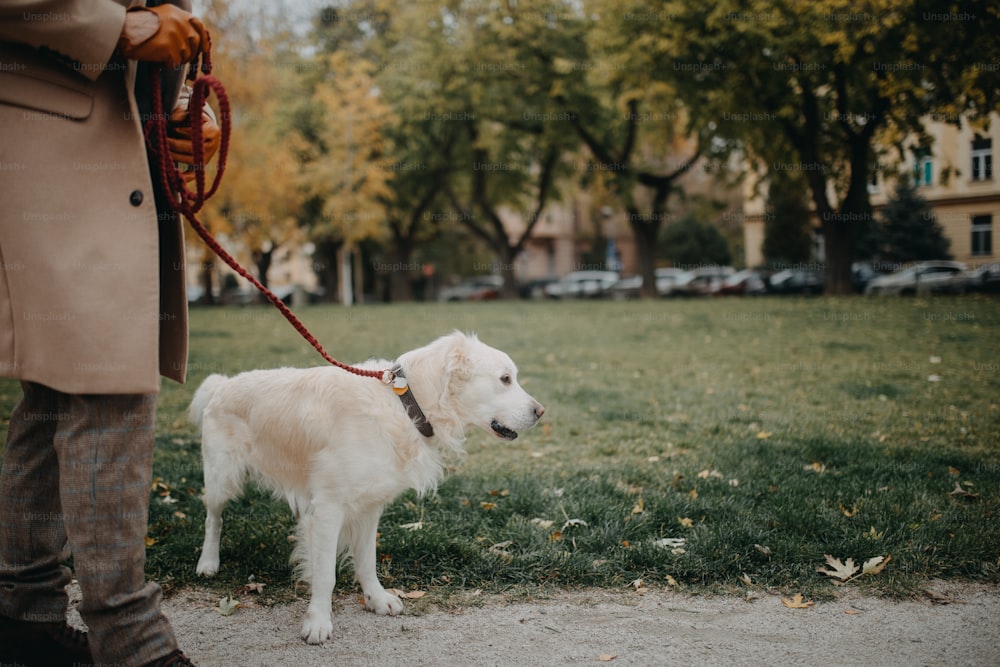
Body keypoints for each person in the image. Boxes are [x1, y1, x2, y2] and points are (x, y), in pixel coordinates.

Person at [0, 2, 220, 665]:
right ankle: (129, 638)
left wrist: (177, 109)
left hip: (110, 144)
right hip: (43, 139)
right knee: (107, 373)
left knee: (56, 386)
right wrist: (120, 29)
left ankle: (22, 611)